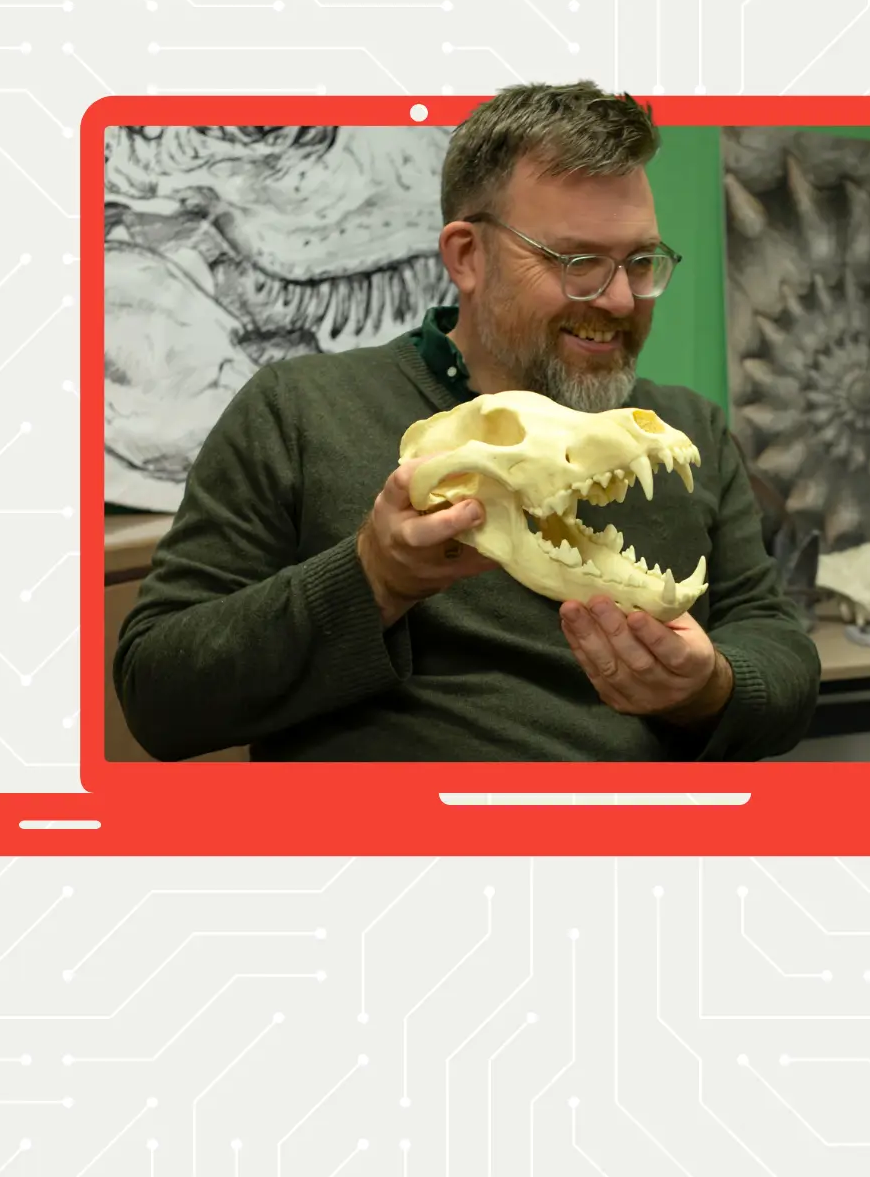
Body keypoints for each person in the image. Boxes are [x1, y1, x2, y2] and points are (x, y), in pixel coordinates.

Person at [113, 81, 821, 761]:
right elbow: (158, 696)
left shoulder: (681, 432)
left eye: (639, 262)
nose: (617, 299)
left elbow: (778, 649)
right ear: (467, 256)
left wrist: (710, 688)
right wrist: (371, 580)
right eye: (578, 262)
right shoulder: (296, 411)